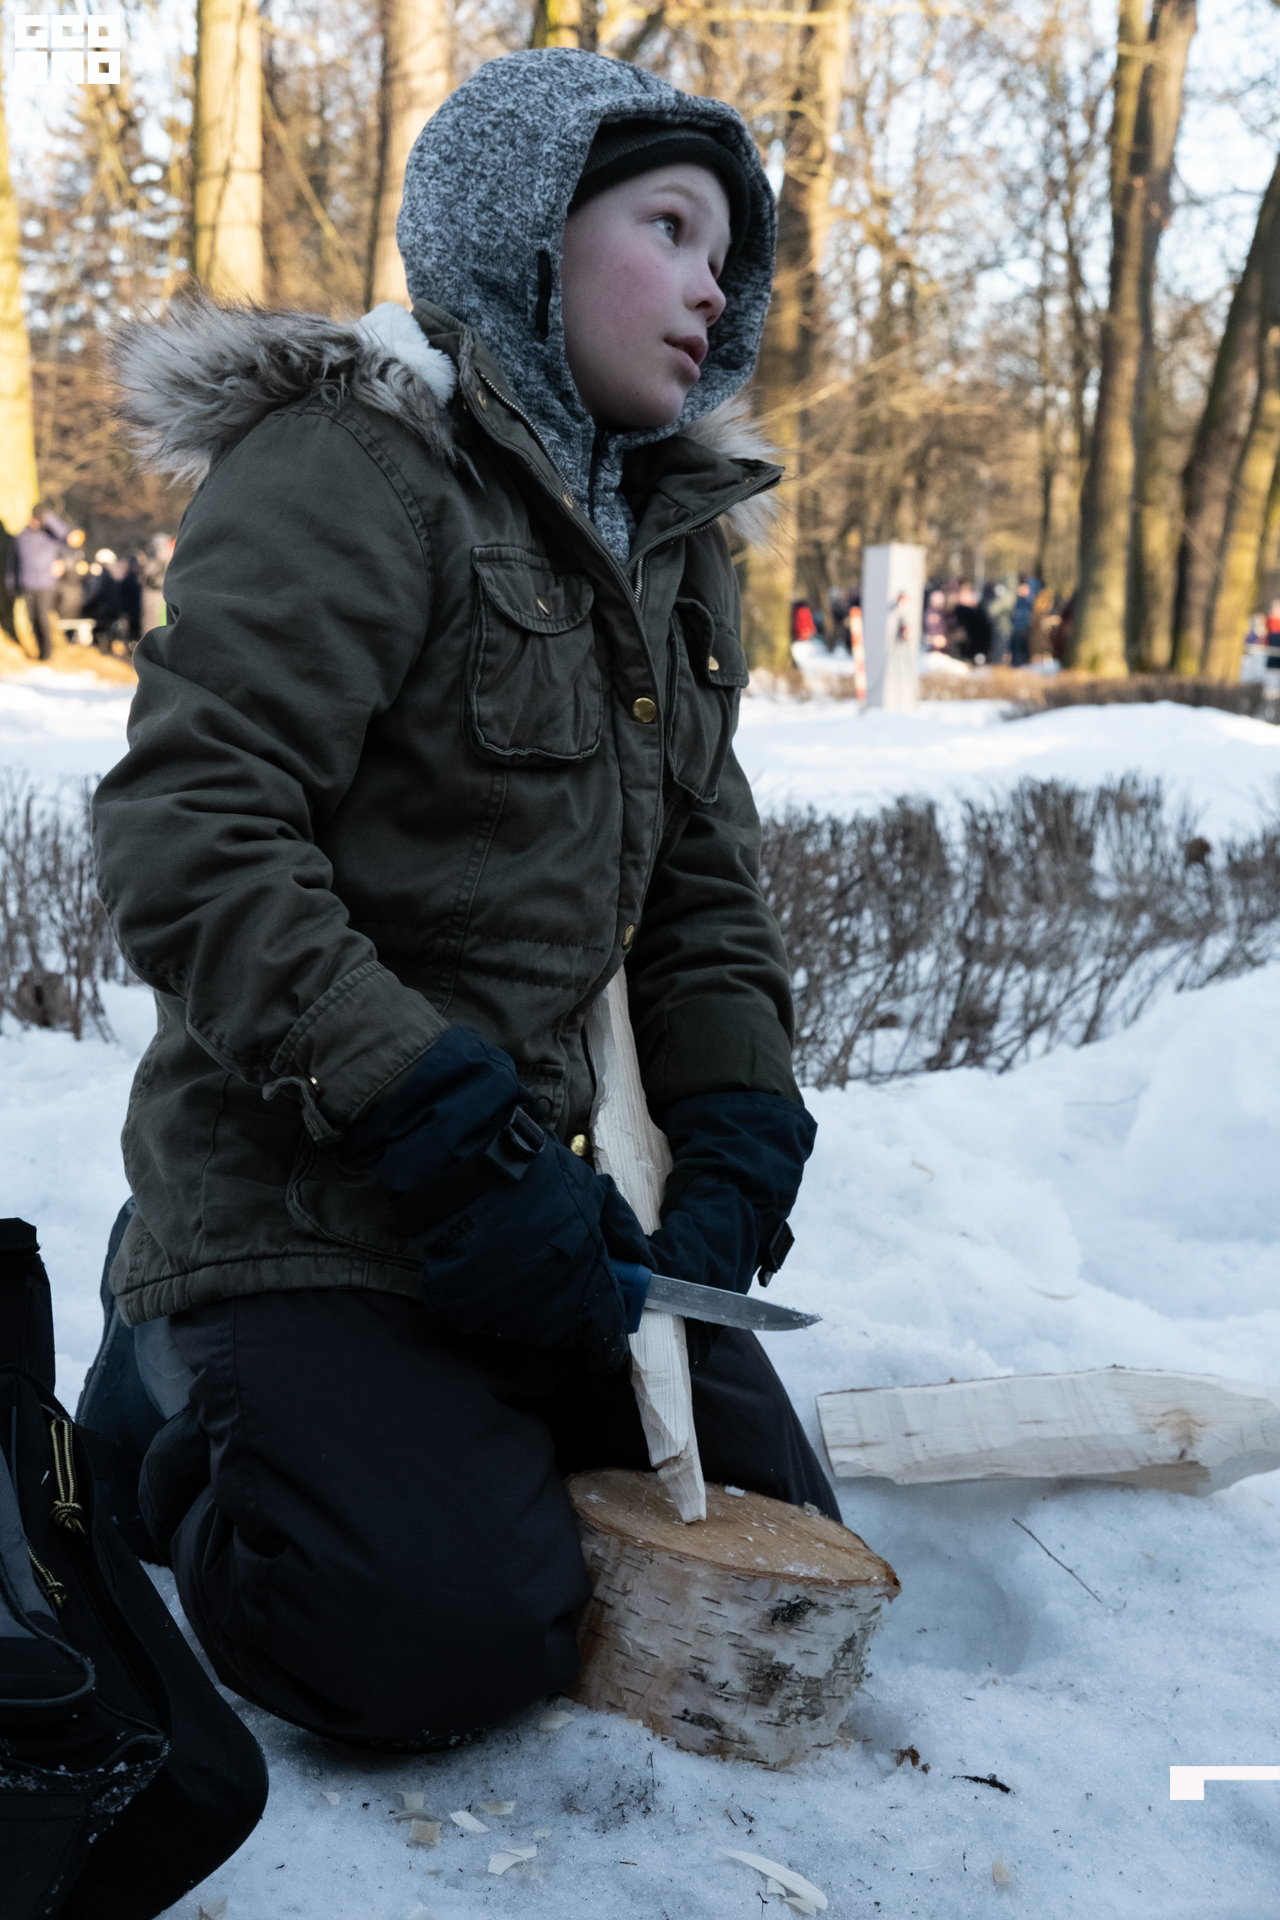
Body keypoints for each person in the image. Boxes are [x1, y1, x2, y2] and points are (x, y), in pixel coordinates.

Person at [88, 49, 837, 1755]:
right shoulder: (350, 465)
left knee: (776, 1556)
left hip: (561, 1215)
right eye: (669, 228)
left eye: (728, 253)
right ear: (526, 228)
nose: (715, 288)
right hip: (321, 1194)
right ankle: (170, 1397)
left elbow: (699, 885)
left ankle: (431, 1428)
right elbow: (192, 832)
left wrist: (736, 1127)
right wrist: (429, 1117)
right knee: (424, 1640)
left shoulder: (675, 543)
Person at [4, 502, 69, 660]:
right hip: (27, 584)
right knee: (32, 619)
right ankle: (41, 652)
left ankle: (47, 653)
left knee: (42, 617)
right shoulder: (22, 537)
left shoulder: (50, 535)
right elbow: (14, 562)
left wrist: (48, 518)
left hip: (45, 584)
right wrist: (11, 583)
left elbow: (65, 534)